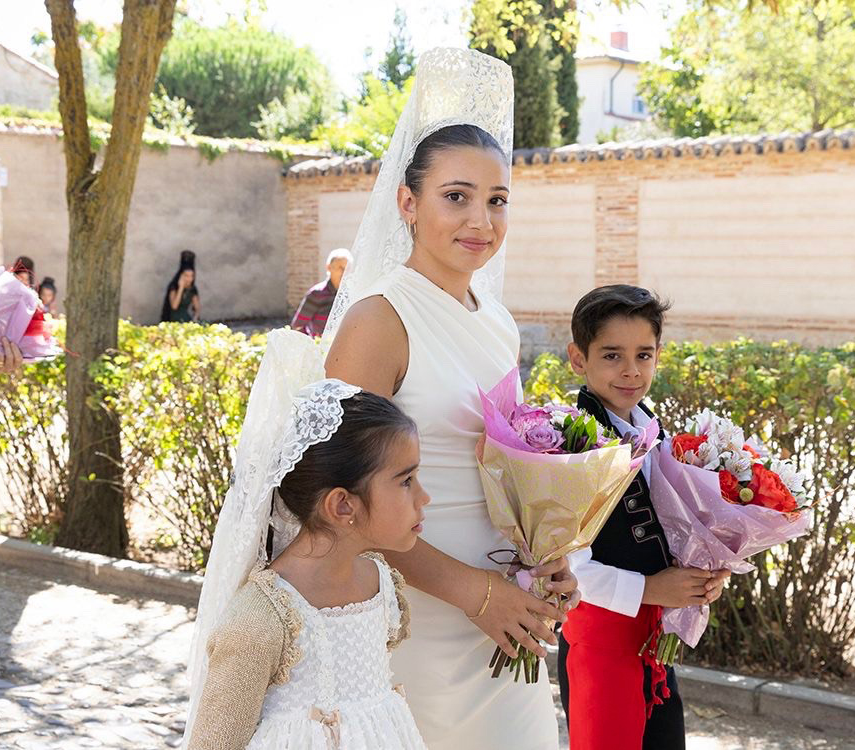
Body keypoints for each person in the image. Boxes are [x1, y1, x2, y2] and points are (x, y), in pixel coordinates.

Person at [322, 48, 575, 750]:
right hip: (421, 623)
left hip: (509, 616)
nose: (481, 221)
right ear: (407, 203)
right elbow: (338, 501)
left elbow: (505, 467)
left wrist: (546, 557)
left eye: (497, 202)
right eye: (456, 196)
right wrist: (471, 592)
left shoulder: (498, 322)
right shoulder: (379, 320)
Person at [186, 381, 429, 749]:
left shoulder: (380, 586)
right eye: (407, 481)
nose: (424, 497)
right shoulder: (261, 621)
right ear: (342, 505)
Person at [558, 285, 733, 750]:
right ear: (579, 358)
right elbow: (562, 566)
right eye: (612, 355)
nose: (631, 371)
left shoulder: (653, 430)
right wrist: (651, 589)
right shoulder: (568, 445)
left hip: (655, 639)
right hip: (600, 643)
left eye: (644, 354)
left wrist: (703, 574)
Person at [290, 248, 352, 337]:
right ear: (329, 267)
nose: (344, 272)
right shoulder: (316, 294)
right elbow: (298, 326)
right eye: (340, 268)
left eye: (347, 268)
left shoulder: (351, 294)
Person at [161, 250, 200, 323]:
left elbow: (197, 308)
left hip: (186, 320)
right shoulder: (174, 287)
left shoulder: (192, 289)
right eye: (186, 276)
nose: (189, 279)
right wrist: (181, 288)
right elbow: (174, 306)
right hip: (173, 321)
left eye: (191, 276)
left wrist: (195, 318)